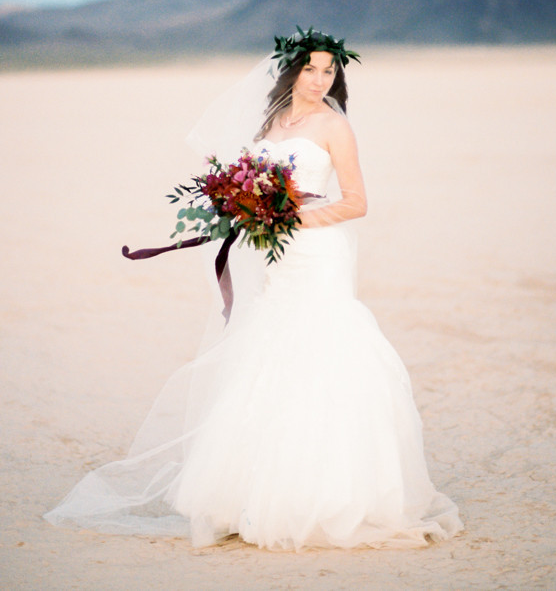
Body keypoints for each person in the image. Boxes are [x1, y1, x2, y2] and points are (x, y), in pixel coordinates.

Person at [45, 29, 463, 550]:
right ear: (290, 71)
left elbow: (356, 203)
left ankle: (329, 495)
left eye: (329, 70)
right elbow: (250, 182)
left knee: (323, 349)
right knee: (266, 350)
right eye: (310, 69)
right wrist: (245, 208)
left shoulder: (336, 126)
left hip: (314, 255)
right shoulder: (270, 123)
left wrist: (288, 219)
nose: (319, 79)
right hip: (272, 259)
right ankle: (247, 494)